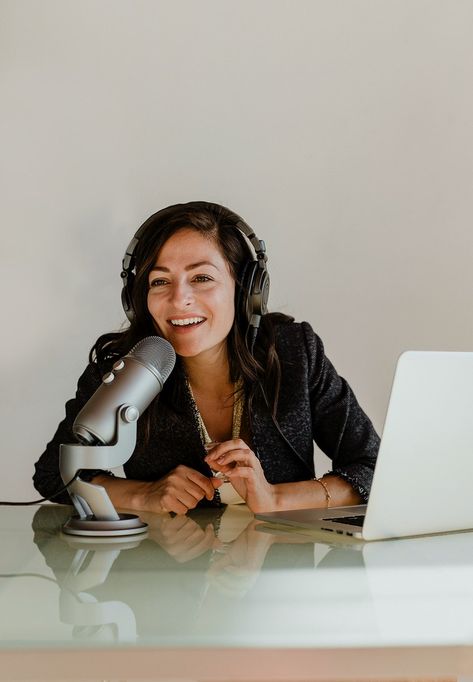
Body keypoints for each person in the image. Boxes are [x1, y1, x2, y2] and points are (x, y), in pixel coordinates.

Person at [33, 201, 380, 515]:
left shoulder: (293, 352)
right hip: (166, 576)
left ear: (245, 290)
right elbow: (54, 473)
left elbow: (374, 466)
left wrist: (275, 498)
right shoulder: (126, 367)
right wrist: (144, 495)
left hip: (281, 573)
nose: (179, 299)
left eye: (201, 278)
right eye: (159, 281)